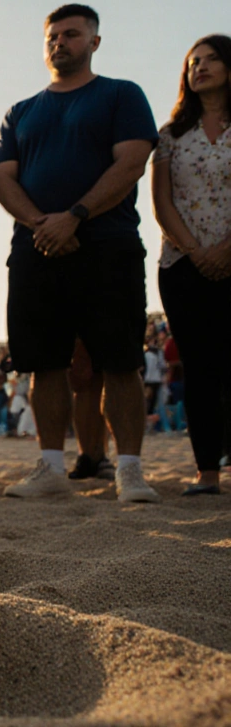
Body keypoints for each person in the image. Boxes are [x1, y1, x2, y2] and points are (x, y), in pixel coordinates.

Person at [0, 4, 160, 503]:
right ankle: (49, 467)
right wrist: (40, 223)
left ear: (94, 41)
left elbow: (132, 161)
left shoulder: (120, 94)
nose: (59, 43)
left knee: (120, 360)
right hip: (36, 248)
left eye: (71, 34)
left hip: (106, 244)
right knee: (44, 363)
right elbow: (3, 178)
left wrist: (77, 215)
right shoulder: (20, 111)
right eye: (52, 37)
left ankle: (128, 469)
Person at [152, 33, 231, 495]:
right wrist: (198, 251)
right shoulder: (170, 134)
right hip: (182, 265)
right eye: (192, 62)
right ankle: (206, 472)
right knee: (199, 368)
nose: (198, 67)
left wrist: (225, 249)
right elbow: (162, 202)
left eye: (210, 59)